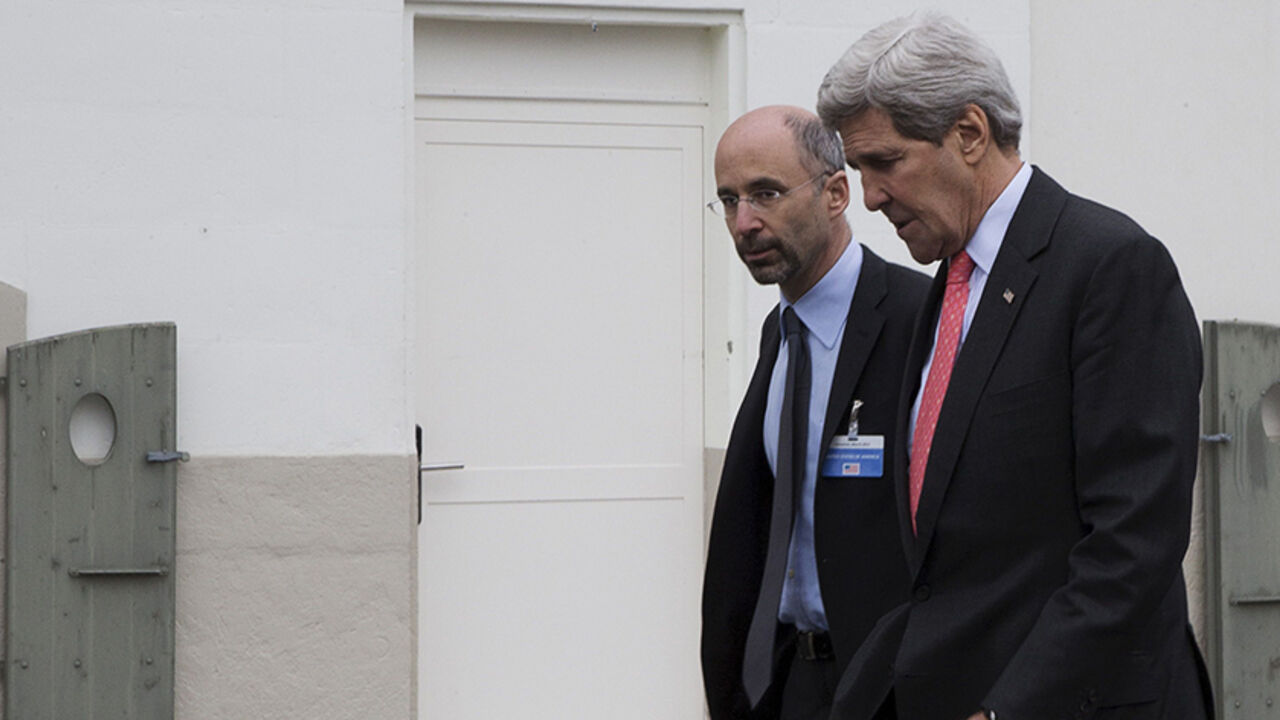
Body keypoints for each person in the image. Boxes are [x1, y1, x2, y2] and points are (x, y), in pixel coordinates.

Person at [815, 13, 1214, 720]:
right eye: (860, 170)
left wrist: (1009, 710)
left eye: (885, 162)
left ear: (969, 133)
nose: (870, 196)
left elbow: (1133, 544)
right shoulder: (948, 285)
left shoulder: (1110, 267)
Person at [701, 105, 930, 720]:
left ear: (836, 194)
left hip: (889, 689)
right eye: (729, 200)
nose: (744, 222)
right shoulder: (780, 335)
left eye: (766, 194)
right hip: (789, 682)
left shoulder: (921, 320)